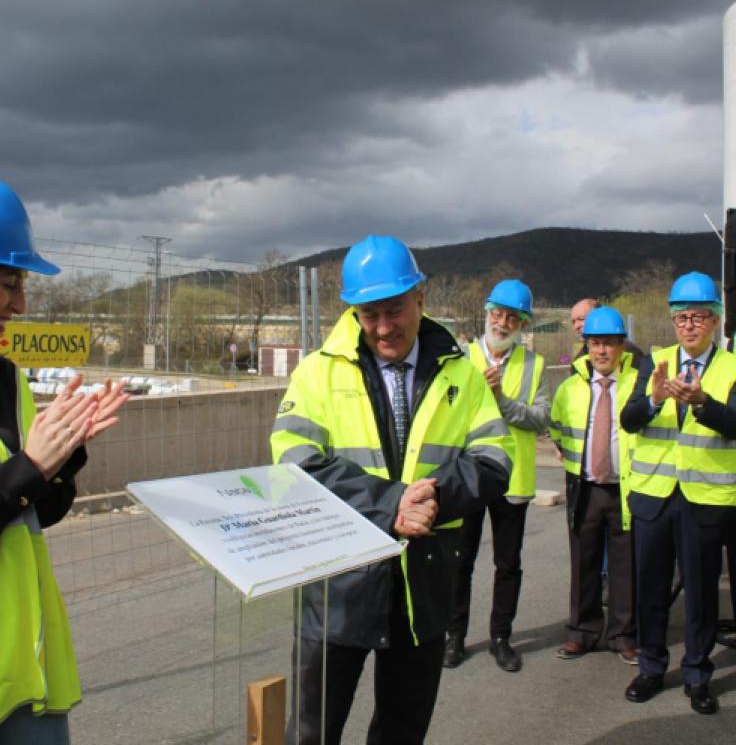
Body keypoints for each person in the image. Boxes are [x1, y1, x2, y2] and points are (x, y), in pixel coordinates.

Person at [271, 235, 514, 745]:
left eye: (394, 310)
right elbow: (293, 462)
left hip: (421, 582)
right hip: (335, 584)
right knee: (311, 733)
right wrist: (389, 505)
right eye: (369, 314)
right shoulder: (317, 373)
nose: (383, 327)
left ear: (420, 298)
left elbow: (495, 459)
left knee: (402, 731)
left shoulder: (462, 375)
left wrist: (433, 498)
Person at [0, 173, 128, 745]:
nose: (20, 304)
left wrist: (62, 457)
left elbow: (36, 513)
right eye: (8, 284)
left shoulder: (2, 377)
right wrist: (29, 468)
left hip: (27, 664)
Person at [621, 271, 736, 715]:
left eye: (698, 317)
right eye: (681, 317)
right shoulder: (655, 360)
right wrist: (651, 401)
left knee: (702, 593)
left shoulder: (730, 367)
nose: (688, 325)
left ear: (715, 322)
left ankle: (697, 674)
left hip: (705, 500)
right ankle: (651, 667)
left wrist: (703, 404)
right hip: (655, 497)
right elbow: (630, 420)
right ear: (672, 321)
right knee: (650, 587)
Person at [443, 279, 549, 672]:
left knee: (508, 564)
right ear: (487, 313)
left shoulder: (534, 365)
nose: (502, 322)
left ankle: (501, 637)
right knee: (460, 560)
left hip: (513, 478)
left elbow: (541, 417)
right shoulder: (460, 358)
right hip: (467, 474)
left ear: (523, 325)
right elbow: (445, 414)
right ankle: (454, 637)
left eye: (512, 318)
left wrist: (502, 401)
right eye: (497, 314)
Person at [550, 306, 638, 665]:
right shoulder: (569, 388)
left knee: (624, 566)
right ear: (586, 345)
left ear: (622, 347)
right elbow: (557, 429)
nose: (602, 351)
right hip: (584, 489)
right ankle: (582, 632)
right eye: (595, 343)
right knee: (583, 563)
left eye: (610, 344)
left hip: (625, 489)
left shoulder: (637, 384)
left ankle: (623, 635)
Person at [571, 298, 644, 369]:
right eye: (573, 322)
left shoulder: (629, 352)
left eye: (581, 319)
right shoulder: (578, 362)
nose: (576, 326)